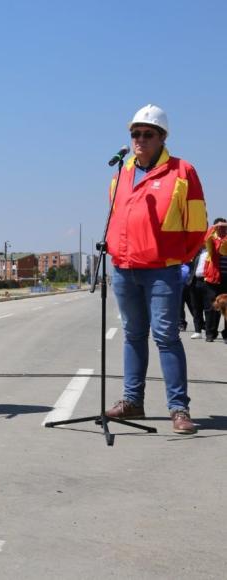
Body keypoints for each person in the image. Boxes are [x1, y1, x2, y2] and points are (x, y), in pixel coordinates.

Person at [104, 104, 208, 435]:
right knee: (133, 335)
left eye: (147, 134)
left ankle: (179, 408)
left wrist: (180, 261)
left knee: (165, 336)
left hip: (162, 270)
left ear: (162, 137)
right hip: (124, 269)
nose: (139, 139)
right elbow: (117, 218)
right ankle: (132, 402)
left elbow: (197, 226)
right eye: (135, 133)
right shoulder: (120, 174)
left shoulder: (182, 172)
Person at [203, 217, 227, 342]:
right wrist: (214, 227)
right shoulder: (212, 239)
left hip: (226, 278)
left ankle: (226, 334)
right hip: (213, 278)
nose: (223, 229)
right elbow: (206, 238)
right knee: (212, 307)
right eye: (220, 227)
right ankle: (210, 333)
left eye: (225, 227)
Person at [188, 246, 208, 339]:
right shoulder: (196, 252)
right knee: (196, 307)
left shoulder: (212, 251)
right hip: (195, 281)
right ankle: (198, 331)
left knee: (208, 307)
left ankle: (210, 331)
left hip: (208, 281)